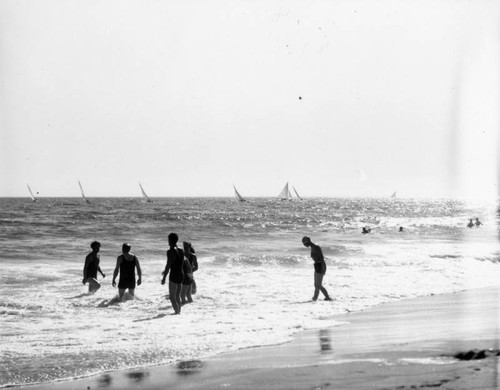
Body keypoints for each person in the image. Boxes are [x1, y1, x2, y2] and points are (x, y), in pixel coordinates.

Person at [302, 236, 332, 301]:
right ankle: (315, 298)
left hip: (320, 265)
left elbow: (321, 258)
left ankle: (328, 297)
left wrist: (323, 268)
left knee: (318, 285)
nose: (304, 245)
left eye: (304, 243)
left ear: (307, 242)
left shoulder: (316, 247)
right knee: (316, 285)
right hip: (317, 265)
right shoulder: (312, 247)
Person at [161, 233, 184, 314]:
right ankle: (179, 312)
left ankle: (177, 313)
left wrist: (164, 278)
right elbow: (178, 263)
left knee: (172, 297)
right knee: (178, 296)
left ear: (170, 240)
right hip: (181, 274)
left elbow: (168, 265)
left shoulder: (170, 251)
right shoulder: (181, 251)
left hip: (174, 275)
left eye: (168, 240)